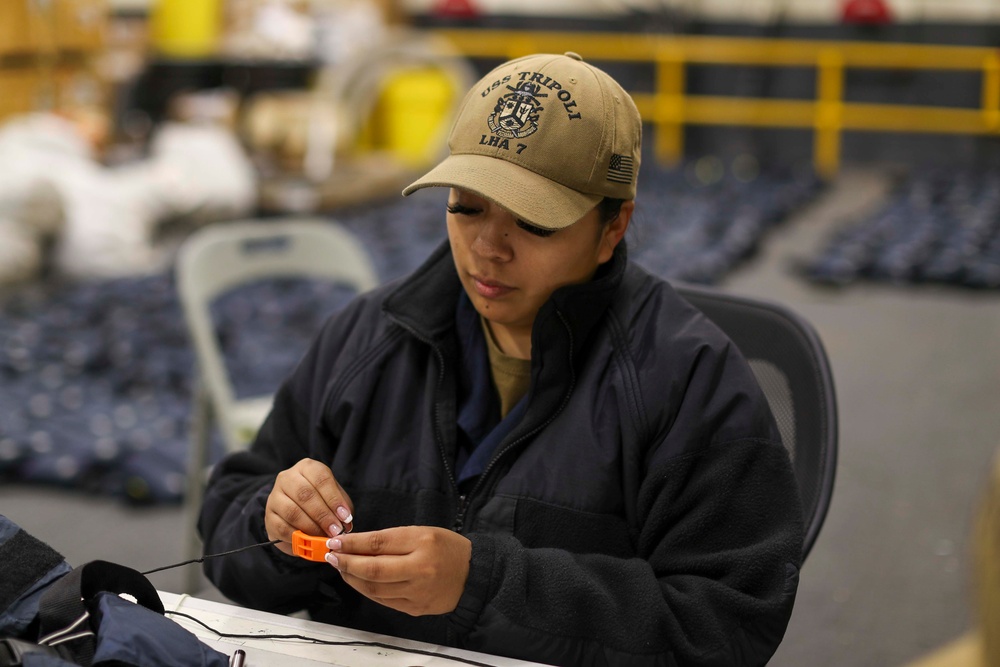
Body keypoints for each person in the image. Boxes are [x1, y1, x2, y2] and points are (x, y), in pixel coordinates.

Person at [199, 52, 803, 666]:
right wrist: (272, 528)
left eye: (534, 223)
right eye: (466, 206)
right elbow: (227, 513)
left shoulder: (689, 381)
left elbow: (726, 624)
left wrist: (487, 585)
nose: (488, 248)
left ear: (613, 226)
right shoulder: (367, 341)